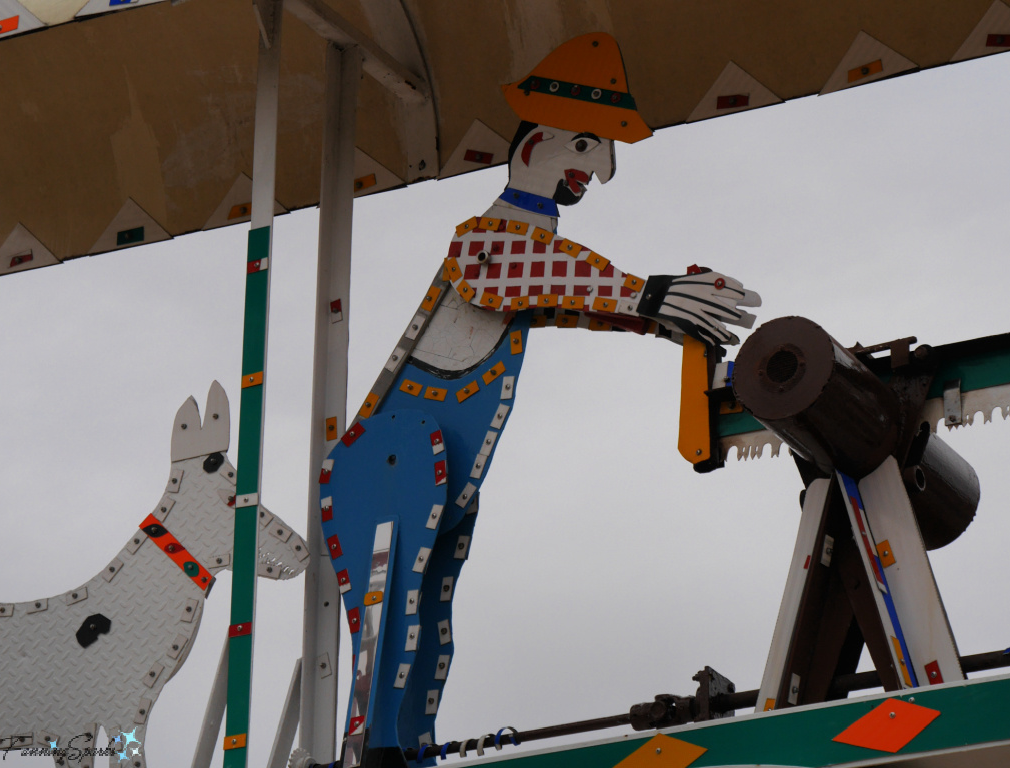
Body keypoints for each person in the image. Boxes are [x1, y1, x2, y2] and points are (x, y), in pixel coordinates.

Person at [319, 32, 761, 768]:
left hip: (430, 467)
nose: (598, 171)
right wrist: (649, 295)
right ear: (537, 150)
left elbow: (560, 294)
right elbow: (533, 277)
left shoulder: (531, 257)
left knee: (431, 616)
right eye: (587, 149)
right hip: (393, 457)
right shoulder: (484, 243)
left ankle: (408, 748)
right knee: (391, 614)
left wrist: (658, 312)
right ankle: (374, 748)